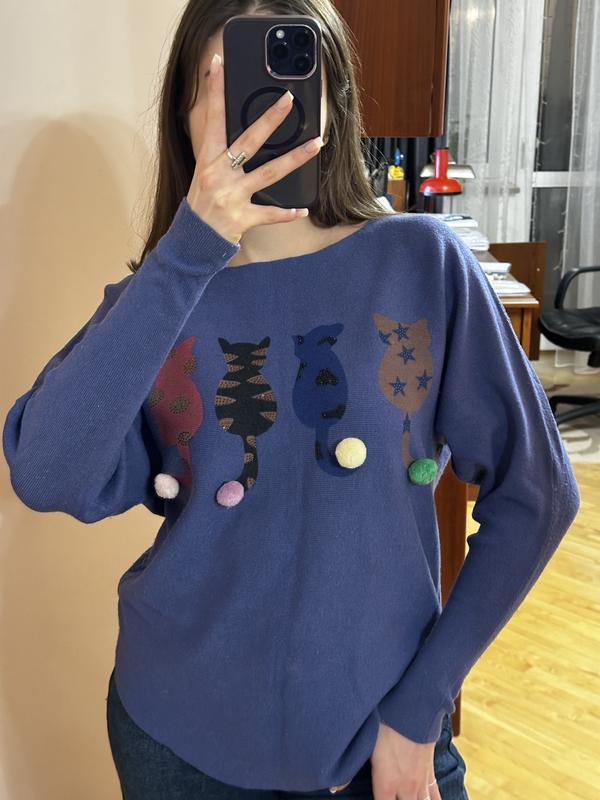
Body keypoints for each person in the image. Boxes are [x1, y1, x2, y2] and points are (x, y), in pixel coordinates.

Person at [2, 1, 580, 799]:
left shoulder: (421, 263)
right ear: (184, 110)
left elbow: (537, 495)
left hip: (384, 739)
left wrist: (421, 708)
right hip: (176, 736)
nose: (264, 111)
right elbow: (45, 475)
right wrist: (190, 249)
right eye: (228, 82)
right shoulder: (156, 302)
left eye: (289, 83)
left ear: (331, 101)